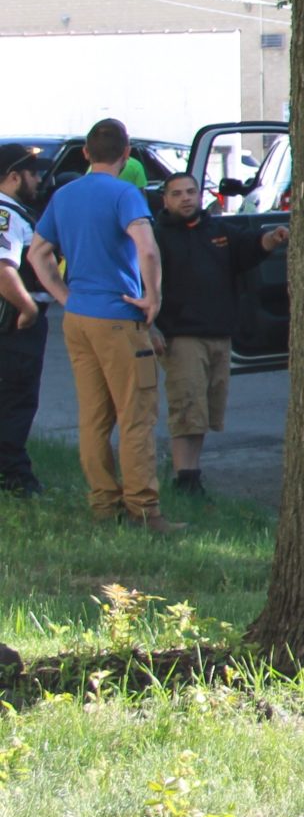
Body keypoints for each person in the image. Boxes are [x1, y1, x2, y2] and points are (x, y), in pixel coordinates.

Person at [28, 118, 174, 531]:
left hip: (78, 319)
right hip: (120, 320)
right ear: (127, 154)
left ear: (87, 154)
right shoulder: (126, 194)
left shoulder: (65, 195)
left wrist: (64, 297)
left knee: (93, 417)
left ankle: (103, 506)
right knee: (136, 415)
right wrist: (153, 297)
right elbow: (147, 249)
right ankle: (144, 509)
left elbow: (38, 255)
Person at [151, 172, 285, 495]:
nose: (186, 198)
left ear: (200, 196)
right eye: (177, 194)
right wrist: (150, 325)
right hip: (181, 335)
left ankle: (192, 475)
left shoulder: (218, 230)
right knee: (187, 408)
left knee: (207, 411)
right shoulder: (156, 238)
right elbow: (142, 286)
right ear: (165, 200)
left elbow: (250, 247)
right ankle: (184, 479)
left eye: (191, 192)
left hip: (219, 335)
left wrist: (272, 239)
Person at [0, 144, 49, 497]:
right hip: (13, 325)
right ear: (14, 177)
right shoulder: (6, 214)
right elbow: (3, 269)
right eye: (33, 173)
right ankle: (14, 477)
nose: (38, 179)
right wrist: (28, 308)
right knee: (15, 399)